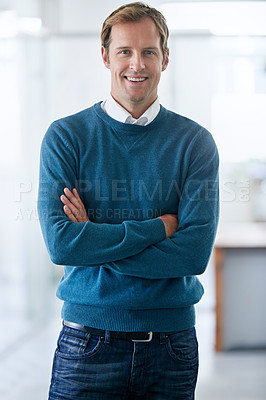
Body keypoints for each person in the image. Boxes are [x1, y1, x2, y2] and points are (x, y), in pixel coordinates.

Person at [38, 2, 219, 399]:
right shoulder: (66, 137)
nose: (136, 64)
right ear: (106, 57)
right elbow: (63, 244)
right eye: (125, 51)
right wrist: (158, 228)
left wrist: (93, 238)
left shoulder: (194, 143)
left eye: (148, 51)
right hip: (87, 345)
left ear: (165, 58)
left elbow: (192, 256)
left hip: (171, 346)